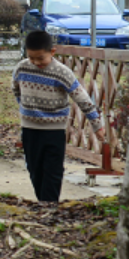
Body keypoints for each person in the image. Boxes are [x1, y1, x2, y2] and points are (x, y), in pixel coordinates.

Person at [13, 31, 105, 203]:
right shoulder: (21, 68)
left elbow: (82, 98)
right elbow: (16, 90)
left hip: (54, 130)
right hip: (29, 129)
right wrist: (26, 108)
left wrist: (96, 125)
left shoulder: (62, 73)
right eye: (31, 58)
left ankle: (49, 205)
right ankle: (42, 202)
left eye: (40, 58)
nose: (35, 62)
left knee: (53, 170)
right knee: (34, 169)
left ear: (52, 52)